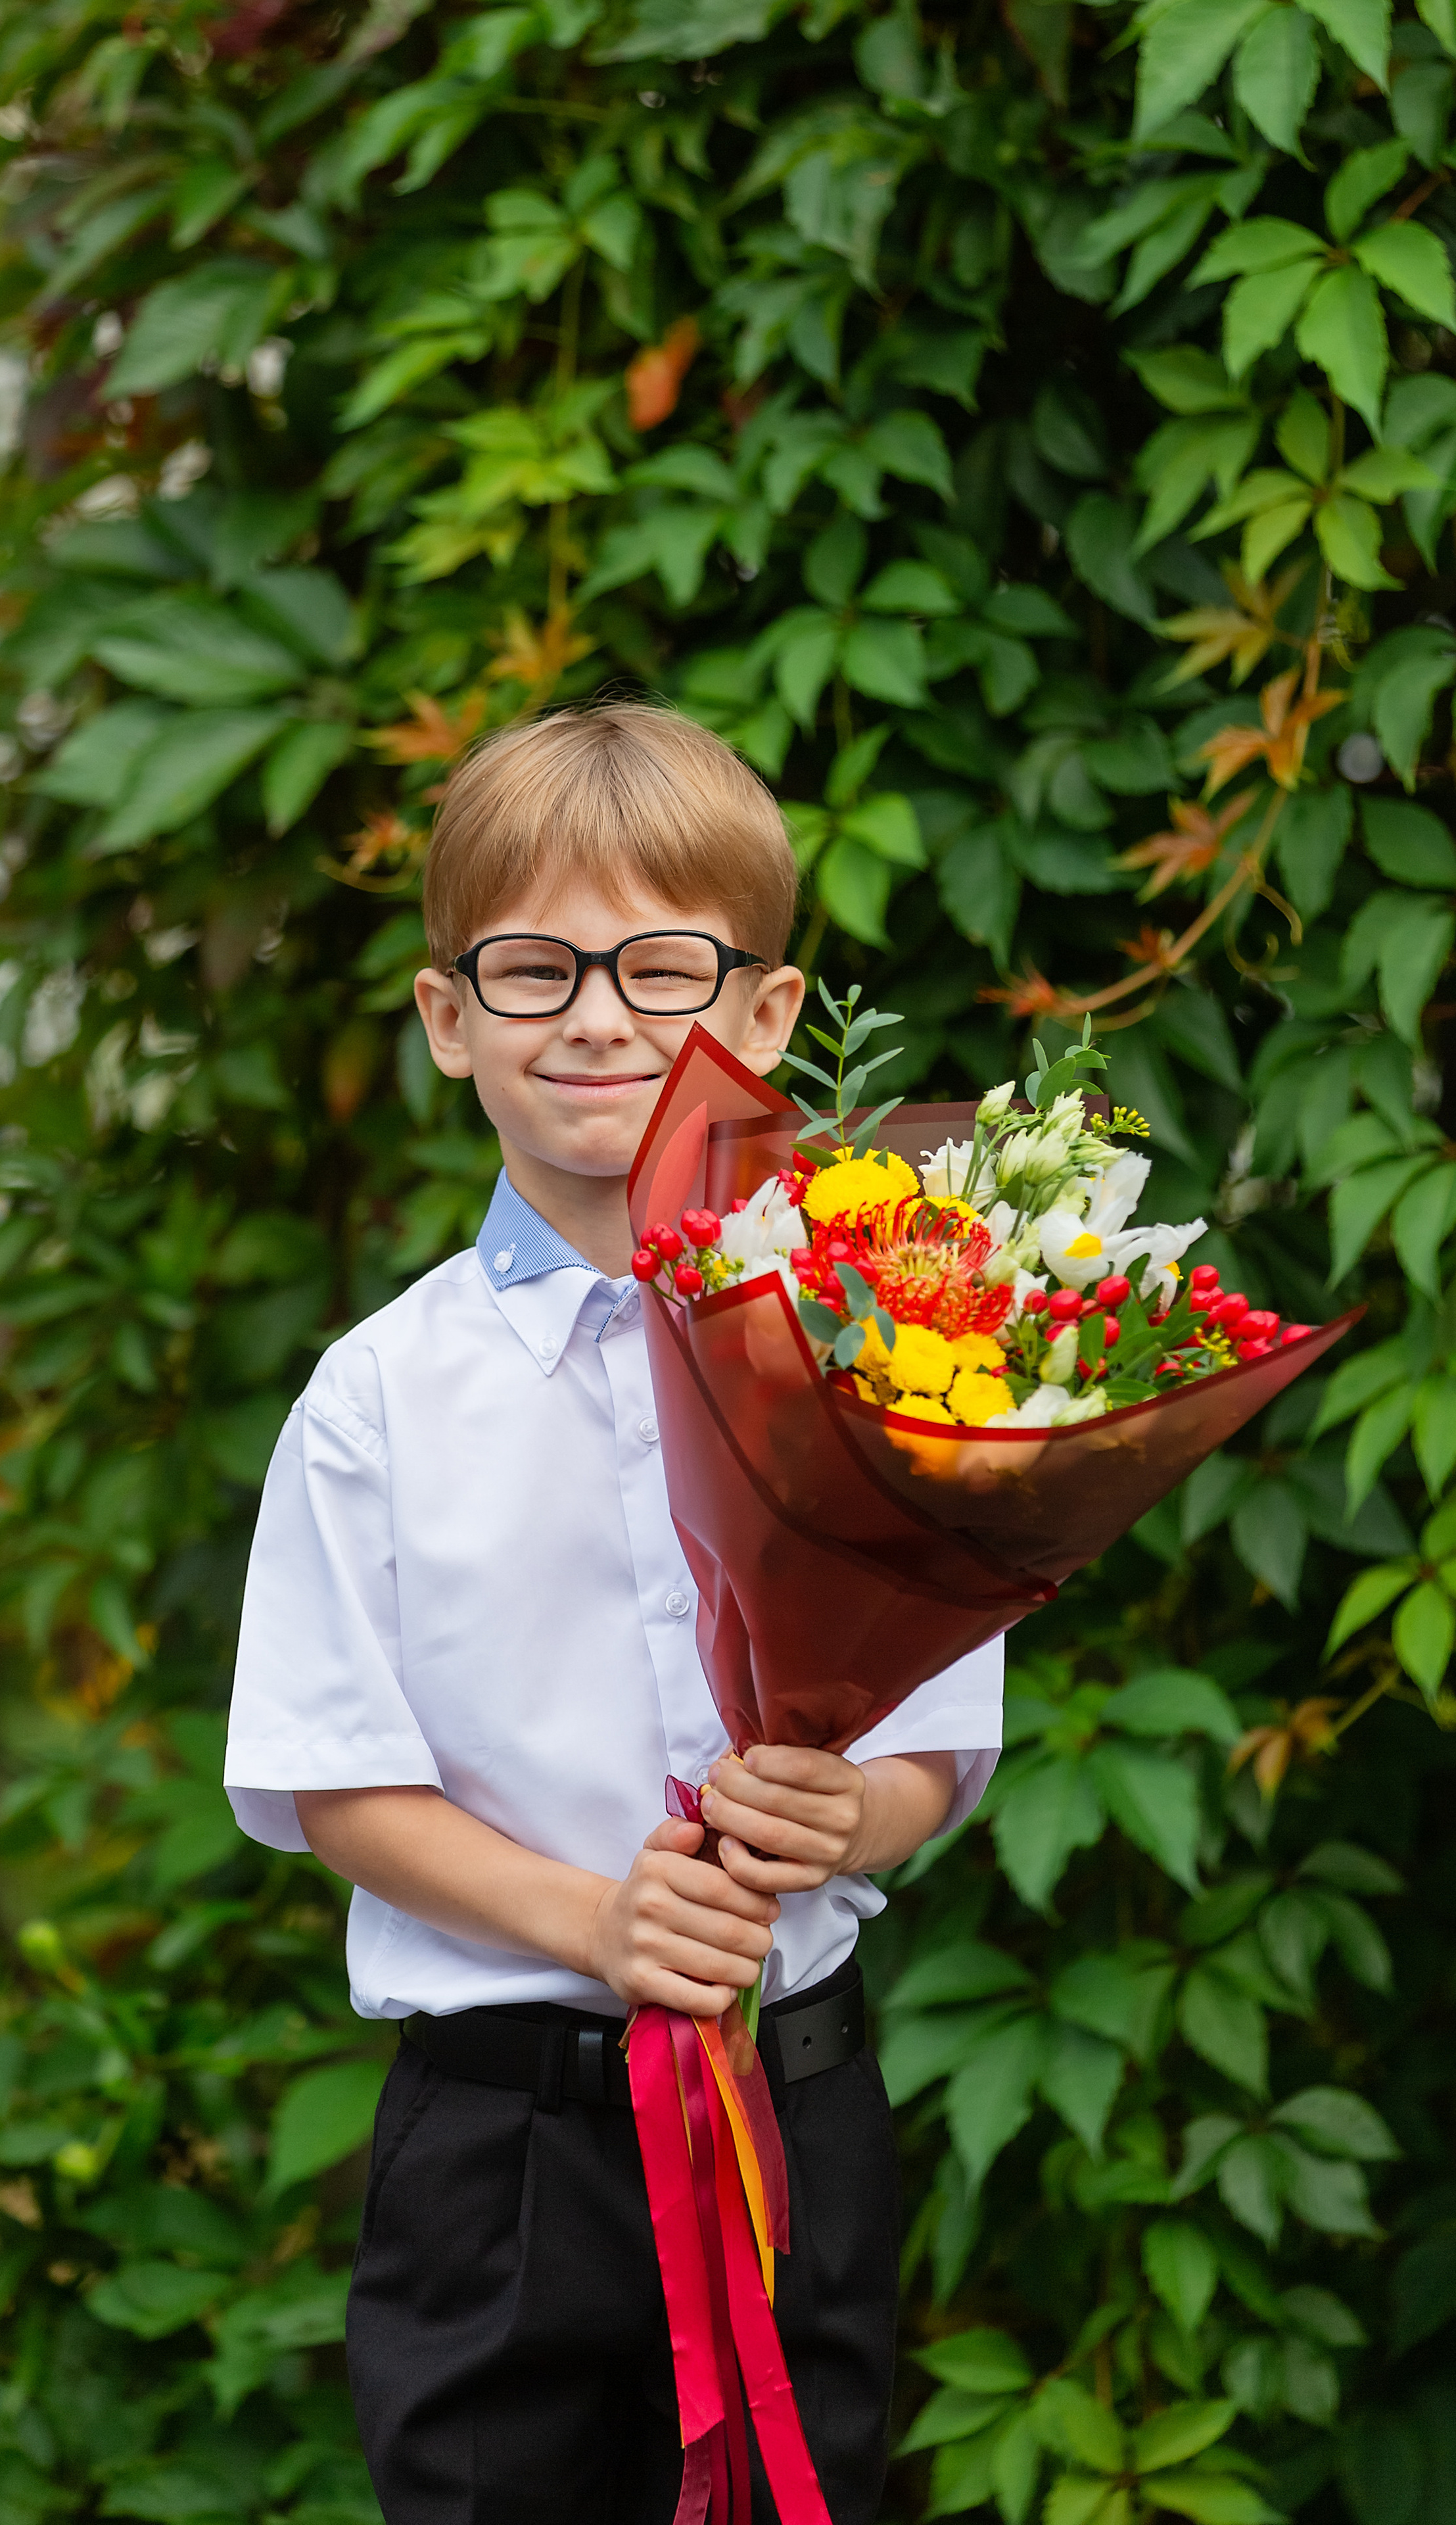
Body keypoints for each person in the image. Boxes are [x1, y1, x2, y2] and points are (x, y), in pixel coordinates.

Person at [223, 702, 1004, 2525]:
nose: (596, 1015)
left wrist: (859, 1808)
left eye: (664, 966)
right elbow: (334, 1781)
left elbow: (939, 1744)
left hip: (796, 2116)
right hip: (502, 2155)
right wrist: (599, 1917)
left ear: (765, 1015)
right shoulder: (377, 1397)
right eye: (533, 968)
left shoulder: (883, 1348)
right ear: (448, 1022)